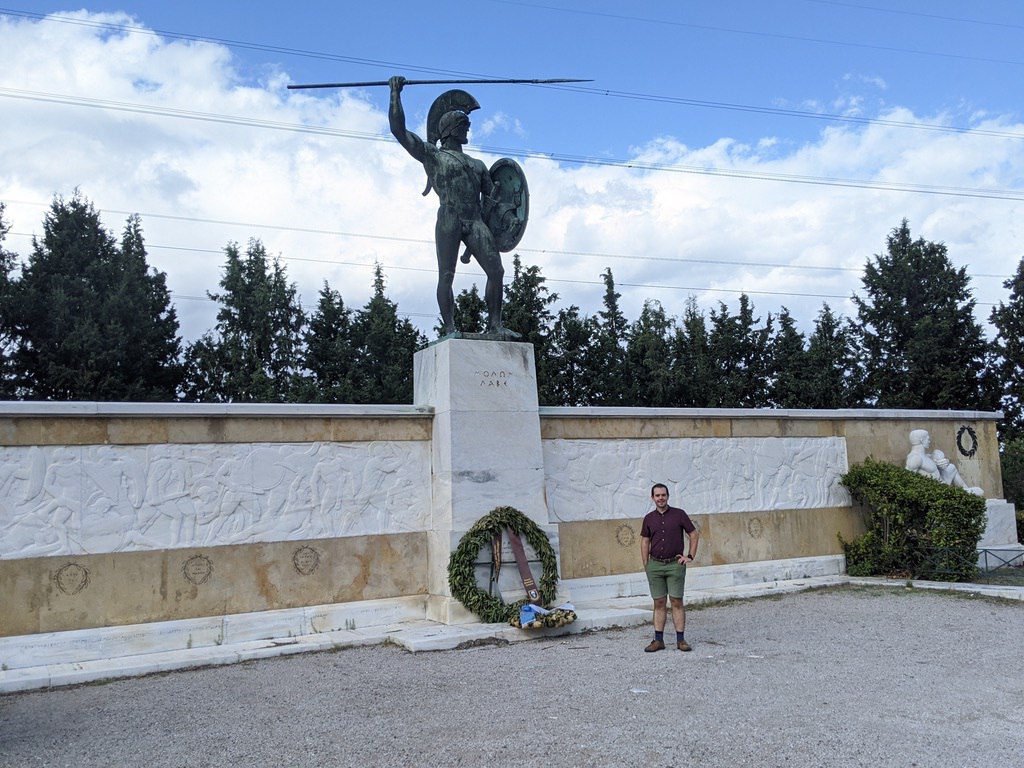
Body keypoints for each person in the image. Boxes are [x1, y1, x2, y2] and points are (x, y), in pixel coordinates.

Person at [388, 75, 512, 337]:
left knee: (496, 271)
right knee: (446, 275)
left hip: (475, 221)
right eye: (464, 125)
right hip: (449, 218)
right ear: (451, 129)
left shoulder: (478, 165)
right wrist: (395, 93)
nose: (468, 129)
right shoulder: (433, 156)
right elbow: (399, 131)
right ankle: (450, 328)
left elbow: (493, 204)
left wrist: (503, 213)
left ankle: (495, 325)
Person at [640, 483, 699, 652]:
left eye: (663, 495)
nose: (660, 498)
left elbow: (693, 534)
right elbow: (645, 540)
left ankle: (681, 640)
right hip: (655, 565)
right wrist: (646, 563)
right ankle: (658, 640)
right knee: (658, 602)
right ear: (652, 498)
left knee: (676, 601)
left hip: (675, 565)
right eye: (657, 495)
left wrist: (690, 556)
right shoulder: (649, 518)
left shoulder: (679, 514)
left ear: (668, 496)